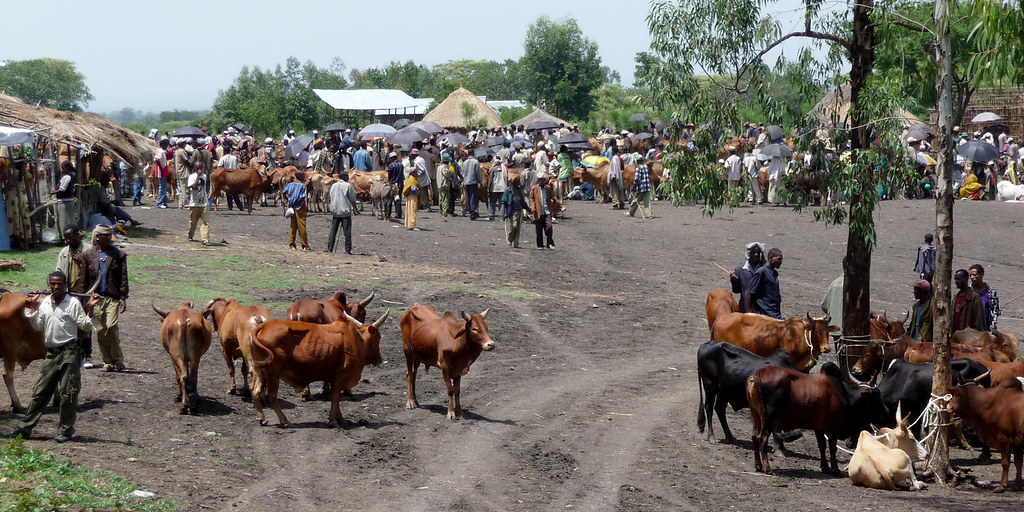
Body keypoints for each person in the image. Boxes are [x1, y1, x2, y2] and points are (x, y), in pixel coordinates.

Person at [2, 271, 99, 443]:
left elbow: (85, 326)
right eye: (52, 284)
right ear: (49, 285)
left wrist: (91, 308)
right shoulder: (45, 303)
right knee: (40, 392)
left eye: (59, 284)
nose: (55, 287)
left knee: (68, 393)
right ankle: (25, 428)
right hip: (51, 353)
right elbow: (37, 325)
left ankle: (66, 431)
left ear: (65, 285)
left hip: (69, 353)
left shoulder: (73, 304)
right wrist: (32, 308)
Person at [83, 225, 129, 372]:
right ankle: (107, 362)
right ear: (98, 237)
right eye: (105, 236)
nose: (109, 238)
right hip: (96, 298)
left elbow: (123, 278)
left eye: (110, 236)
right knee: (101, 330)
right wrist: (84, 299)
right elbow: (83, 280)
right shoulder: (88, 255)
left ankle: (118, 360)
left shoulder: (119, 255)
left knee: (111, 327)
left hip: (112, 298)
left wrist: (123, 298)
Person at [56, 228, 94, 368]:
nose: (68, 241)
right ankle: (73, 354)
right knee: (69, 322)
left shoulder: (89, 250)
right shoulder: (64, 252)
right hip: (69, 292)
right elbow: (59, 271)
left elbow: (96, 271)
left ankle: (87, 355)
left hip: (84, 293)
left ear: (78, 235)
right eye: (66, 238)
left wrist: (83, 261)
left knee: (84, 323)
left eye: (70, 237)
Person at [327, 172, 358, 254]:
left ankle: (330, 248)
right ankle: (347, 249)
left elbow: (331, 196)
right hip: (345, 211)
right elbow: (353, 197)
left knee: (333, 230)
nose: (348, 178)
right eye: (347, 176)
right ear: (345, 177)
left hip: (335, 211)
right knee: (347, 231)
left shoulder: (334, 186)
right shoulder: (347, 186)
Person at [748, 248, 783, 319]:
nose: (781, 262)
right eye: (779, 259)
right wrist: (750, 313)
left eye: (781, 260)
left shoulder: (774, 274)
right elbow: (749, 293)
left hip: (775, 314)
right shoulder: (761, 272)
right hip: (765, 315)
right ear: (770, 258)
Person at [730, 242, 765, 313]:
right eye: (754, 252)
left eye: (758, 253)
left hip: (761, 308)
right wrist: (734, 281)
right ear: (748, 253)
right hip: (745, 308)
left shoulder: (764, 269)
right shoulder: (740, 270)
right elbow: (736, 291)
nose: (756, 255)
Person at [529, 172, 559, 249]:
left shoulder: (548, 188)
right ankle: (540, 245)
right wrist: (533, 207)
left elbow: (552, 196)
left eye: (542, 180)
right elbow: (531, 199)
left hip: (547, 211)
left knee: (549, 227)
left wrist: (554, 202)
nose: (541, 181)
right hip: (539, 211)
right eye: (539, 180)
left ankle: (549, 243)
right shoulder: (534, 188)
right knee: (539, 229)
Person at [283, 171, 310, 250]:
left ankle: (292, 244)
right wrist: (296, 202)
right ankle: (305, 245)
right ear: (301, 177)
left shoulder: (290, 185)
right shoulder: (303, 186)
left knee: (293, 226)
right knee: (302, 227)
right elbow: (302, 197)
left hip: (292, 207)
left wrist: (289, 200)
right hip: (300, 207)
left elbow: (284, 192)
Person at [969, 264, 1001, 331]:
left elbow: (995, 310)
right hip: (971, 330)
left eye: (974, 275)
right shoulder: (968, 292)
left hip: (987, 328)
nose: (972, 277)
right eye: (970, 275)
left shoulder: (991, 293)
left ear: (982, 275)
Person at [501, 173, 530, 248]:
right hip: (512, 211)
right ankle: (510, 239)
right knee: (514, 226)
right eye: (516, 181)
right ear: (512, 182)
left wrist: (529, 209)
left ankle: (516, 243)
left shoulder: (519, 190)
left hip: (519, 211)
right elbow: (504, 202)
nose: (518, 183)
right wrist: (505, 213)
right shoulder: (508, 190)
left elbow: (523, 202)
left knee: (518, 227)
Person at [186, 161, 211, 245]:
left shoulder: (204, 176)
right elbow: (193, 187)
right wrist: (198, 177)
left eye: (201, 168)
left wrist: (208, 193)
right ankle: (190, 235)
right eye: (198, 168)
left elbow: (206, 185)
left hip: (204, 203)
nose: (201, 170)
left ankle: (205, 239)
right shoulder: (191, 177)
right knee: (193, 222)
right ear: (195, 169)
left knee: (205, 222)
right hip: (194, 203)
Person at [53, 161, 78, 237]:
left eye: (63, 168)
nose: (62, 170)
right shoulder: (71, 176)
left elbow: (62, 189)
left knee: (63, 220)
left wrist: (53, 192)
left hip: (64, 202)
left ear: (67, 168)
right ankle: (74, 235)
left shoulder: (67, 177)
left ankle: (64, 237)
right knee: (71, 219)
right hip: (69, 201)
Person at [462, 152, 482, 220]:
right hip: (473, 182)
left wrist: (464, 180)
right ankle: (473, 213)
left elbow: (463, 173)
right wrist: (480, 181)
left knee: (468, 197)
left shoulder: (465, 162)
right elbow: (478, 172)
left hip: (467, 182)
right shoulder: (476, 162)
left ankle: (471, 211)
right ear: (473, 154)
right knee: (473, 197)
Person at [402, 160, 421, 231]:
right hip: (413, 197)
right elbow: (413, 188)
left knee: (409, 211)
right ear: (413, 173)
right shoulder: (412, 180)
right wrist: (418, 187)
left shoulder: (411, 179)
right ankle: (412, 225)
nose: (416, 173)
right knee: (413, 211)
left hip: (410, 197)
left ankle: (409, 224)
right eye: (415, 172)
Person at [487, 155, 508, 221]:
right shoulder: (504, 168)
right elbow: (506, 178)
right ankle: (502, 217)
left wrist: (488, 188)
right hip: (503, 188)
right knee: (502, 203)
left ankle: (491, 216)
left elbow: (490, 179)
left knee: (492, 202)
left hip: (494, 188)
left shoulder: (493, 169)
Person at [436, 153, 455, 218]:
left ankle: (441, 212)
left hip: (439, 185)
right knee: (445, 200)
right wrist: (450, 171)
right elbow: (447, 174)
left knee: (441, 199)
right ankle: (445, 213)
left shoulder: (439, 167)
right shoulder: (444, 167)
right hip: (444, 185)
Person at [387, 152, 404, 219]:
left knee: (390, 199)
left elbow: (389, 176)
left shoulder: (391, 165)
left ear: (392, 158)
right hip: (400, 184)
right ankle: (398, 214)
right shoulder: (401, 165)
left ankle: (388, 213)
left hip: (393, 184)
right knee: (398, 199)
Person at [153, 140, 171, 209]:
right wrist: (161, 168)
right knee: (162, 188)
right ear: (164, 145)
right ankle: (159, 203)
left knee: (163, 187)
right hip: (162, 171)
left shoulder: (161, 151)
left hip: (163, 170)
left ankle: (163, 202)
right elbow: (157, 159)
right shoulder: (160, 152)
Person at [608, 145, 626, 210]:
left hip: (615, 176)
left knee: (614, 190)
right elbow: (622, 168)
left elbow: (614, 168)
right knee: (620, 190)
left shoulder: (614, 158)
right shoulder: (620, 158)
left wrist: (613, 175)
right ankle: (622, 203)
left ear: (613, 151)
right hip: (619, 175)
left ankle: (615, 204)